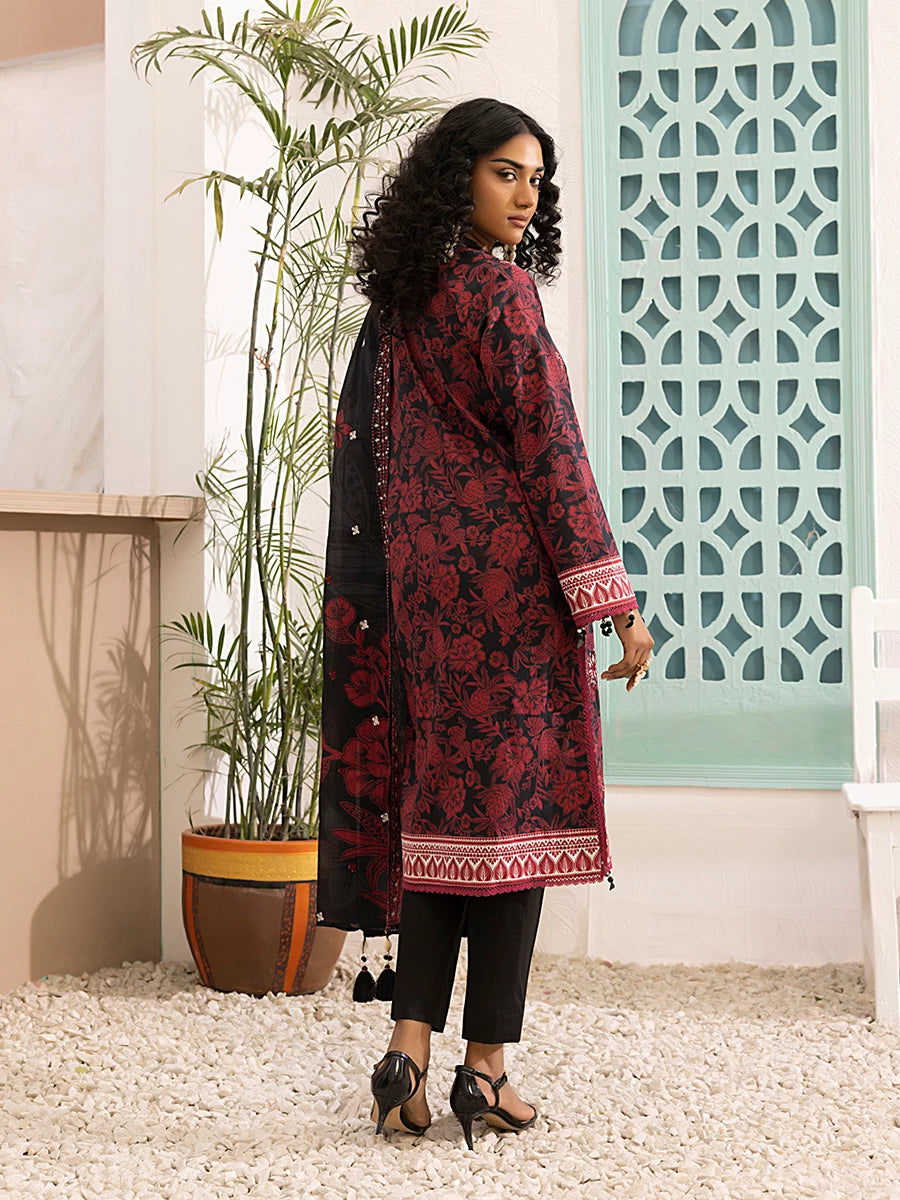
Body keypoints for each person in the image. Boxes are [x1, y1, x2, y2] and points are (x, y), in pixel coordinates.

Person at [315, 97, 654, 1150]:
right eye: (507, 172)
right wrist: (613, 601)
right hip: (511, 599)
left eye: (537, 179)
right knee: (515, 827)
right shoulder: (501, 294)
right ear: (455, 174)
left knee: (441, 828)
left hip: (420, 601)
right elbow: (551, 446)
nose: (527, 196)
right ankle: (488, 1071)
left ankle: (405, 1055)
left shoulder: (397, 307)